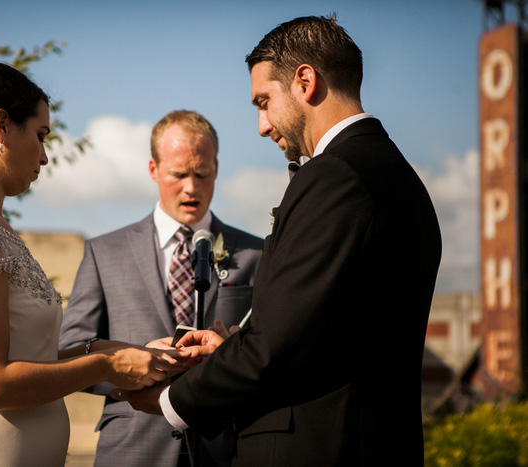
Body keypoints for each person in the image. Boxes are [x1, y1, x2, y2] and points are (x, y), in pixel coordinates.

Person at [115, 16, 443, 466]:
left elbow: (274, 350)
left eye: (264, 101)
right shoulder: (396, 175)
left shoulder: (334, 176)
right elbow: (323, 331)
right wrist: (229, 346)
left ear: (305, 81)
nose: (262, 125)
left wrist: (171, 399)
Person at [0, 62, 184, 467]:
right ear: (1, 126)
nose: (43, 157)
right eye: (40, 136)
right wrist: (106, 365)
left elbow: (26, 357)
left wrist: (119, 351)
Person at [58, 110, 263, 466]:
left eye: (202, 173)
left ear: (216, 167)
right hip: (133, 447)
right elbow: (71, 351)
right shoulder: (105, 251)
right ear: (153, 169)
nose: (191, 187)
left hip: (226, 449)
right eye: (179, 174)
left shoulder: (257, 253)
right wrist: (126, 372)